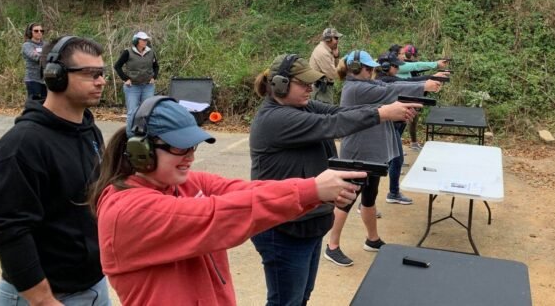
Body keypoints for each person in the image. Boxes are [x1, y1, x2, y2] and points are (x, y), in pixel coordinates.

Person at [91, 97, 363, 306]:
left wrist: (314, 193)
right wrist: (311, 190)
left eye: (192, 147)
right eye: (179, 147)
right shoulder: (125, 211)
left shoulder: (183, 184)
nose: (190, 157)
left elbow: (247, 192)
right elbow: (216, 215)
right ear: (142, 151)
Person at [249, 53, 420, 305]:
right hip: (282, 228)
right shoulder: (275, 119)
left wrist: (386, 109)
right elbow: (334, 124)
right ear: (279, 84)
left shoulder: (301, 106)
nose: (311, 88)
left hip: (306, 223)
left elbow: (341, 112)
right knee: (286, 302)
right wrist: (383, 113)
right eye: (303, 83)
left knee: (301, 297)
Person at [0, 36, 110, 306]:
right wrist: (43, 300)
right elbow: (8, 230)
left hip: (93, 286)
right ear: (55, 77)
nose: (101, 81)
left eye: (102, 74)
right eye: (91, 74)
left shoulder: (90, 131)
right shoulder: (21, 146)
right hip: (45, 297)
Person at [324, 50, 441, 268]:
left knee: (369, 197)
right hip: (359, 152)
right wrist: (424, 86)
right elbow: (391, 89)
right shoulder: (356, 88)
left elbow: (390, 89)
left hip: (373, 152)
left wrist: (416, 94)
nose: (372, 71)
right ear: (356, 69)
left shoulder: (368, 85)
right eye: (368, 68)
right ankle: (332, 246)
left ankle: (372, 239)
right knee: (346, 200)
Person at [375, 51, 448, 197]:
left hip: (388, 125)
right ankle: (386, 196)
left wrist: (431, 78)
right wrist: (430, 79)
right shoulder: (384, 81)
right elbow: (409, 83)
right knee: (389, 161)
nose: (397, 69)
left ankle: (389, 194)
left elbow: (409, 81)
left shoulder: (387, 78)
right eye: (395, 66)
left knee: (392, 160)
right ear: (385, 67)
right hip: (382, 126)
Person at [397, 44, 449, 150]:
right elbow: (417, 66)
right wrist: (436, 65)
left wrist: (434, 75)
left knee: (404, 124)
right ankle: (400, 148)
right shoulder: (401, 66)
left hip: (411, 98)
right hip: (405, 99)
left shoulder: (406, 66)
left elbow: (418, 69)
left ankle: (402, 146)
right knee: (400, 125)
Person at [114, 31, 159, 134]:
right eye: (143, 40)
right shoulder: (128, 52)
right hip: (132, 87)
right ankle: (130, 136)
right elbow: (117, 66)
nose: (145, 41)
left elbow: (156, 66)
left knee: (147, 111)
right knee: (132, 113)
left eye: (146, 40)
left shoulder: (151, 52)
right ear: (136, 41)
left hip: (148, 86)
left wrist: (154, 77)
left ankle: (146, 134)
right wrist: (126, 79)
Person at [308, 27, 342, 104]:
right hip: (321, 90)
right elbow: (333, 74)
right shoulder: (323, 53)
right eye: (336, 38)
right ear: (328, 39)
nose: (337, 41)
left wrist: (336, 56)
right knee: (326, 113)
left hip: (323, 88)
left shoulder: (327, 50)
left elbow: (335, 66)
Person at [21, 22, 46, 101]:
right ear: (30, 32)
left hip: (45, 80)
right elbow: (35, 57)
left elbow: (53, 56)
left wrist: (42, 55)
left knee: (45, 104)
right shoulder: (27, 45)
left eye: (41, 31)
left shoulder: (46, 44)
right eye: (36, 31)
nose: (39, 33)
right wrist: (45, 56)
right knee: (34, 103)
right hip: (32, 79)